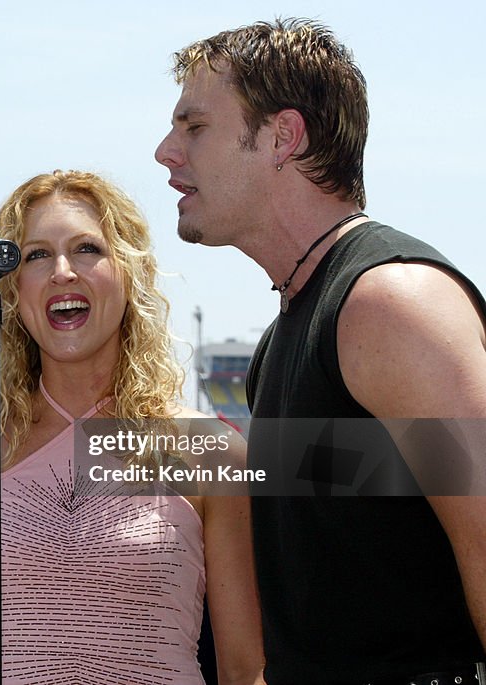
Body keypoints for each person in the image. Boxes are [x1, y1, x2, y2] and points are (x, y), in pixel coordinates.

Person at [154, 18, 486, 684]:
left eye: (194, 127)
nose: (166, 151)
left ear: (283, 136)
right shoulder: (285, 336)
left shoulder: (389, 302)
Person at [0, 170, 264, 684]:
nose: (62, 272)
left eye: (87, 249)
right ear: (12, 289)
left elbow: (245, 669)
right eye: (36, 254)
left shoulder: (212, 452)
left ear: (129, 274)